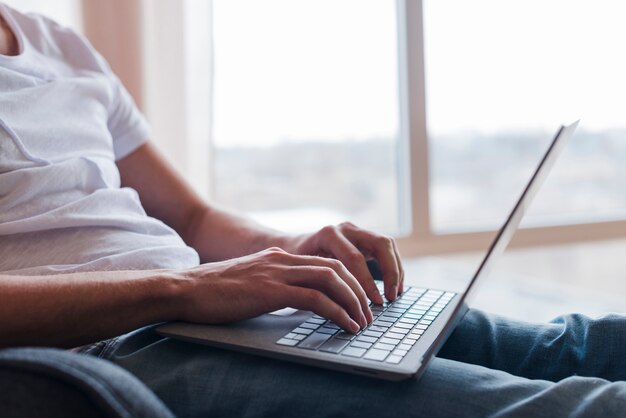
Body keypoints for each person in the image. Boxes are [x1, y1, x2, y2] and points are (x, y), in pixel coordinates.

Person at [0, 4, 624, 417]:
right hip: (107, 344)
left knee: (575, 348)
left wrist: (289, 249)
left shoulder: (57, 44)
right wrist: (184, 289)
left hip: (202, 308)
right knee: (574, 406)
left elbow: (190, 219)